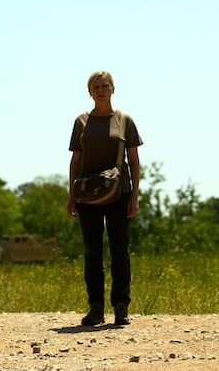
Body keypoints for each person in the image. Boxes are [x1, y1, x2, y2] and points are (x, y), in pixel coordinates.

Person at [66, 70, 142, 326]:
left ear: (113, 89)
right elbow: (75, 160)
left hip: (119, 194)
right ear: (89, 92)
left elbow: (134, 160)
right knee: (92, 253)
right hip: (87, 196)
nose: (101, 90)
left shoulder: (125, 121)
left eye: (105, 85)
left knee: (120, 251)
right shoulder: (81, 122)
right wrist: (71, 195)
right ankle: (95, 308)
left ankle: (121, 306)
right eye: (96, 87)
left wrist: (135, 196)